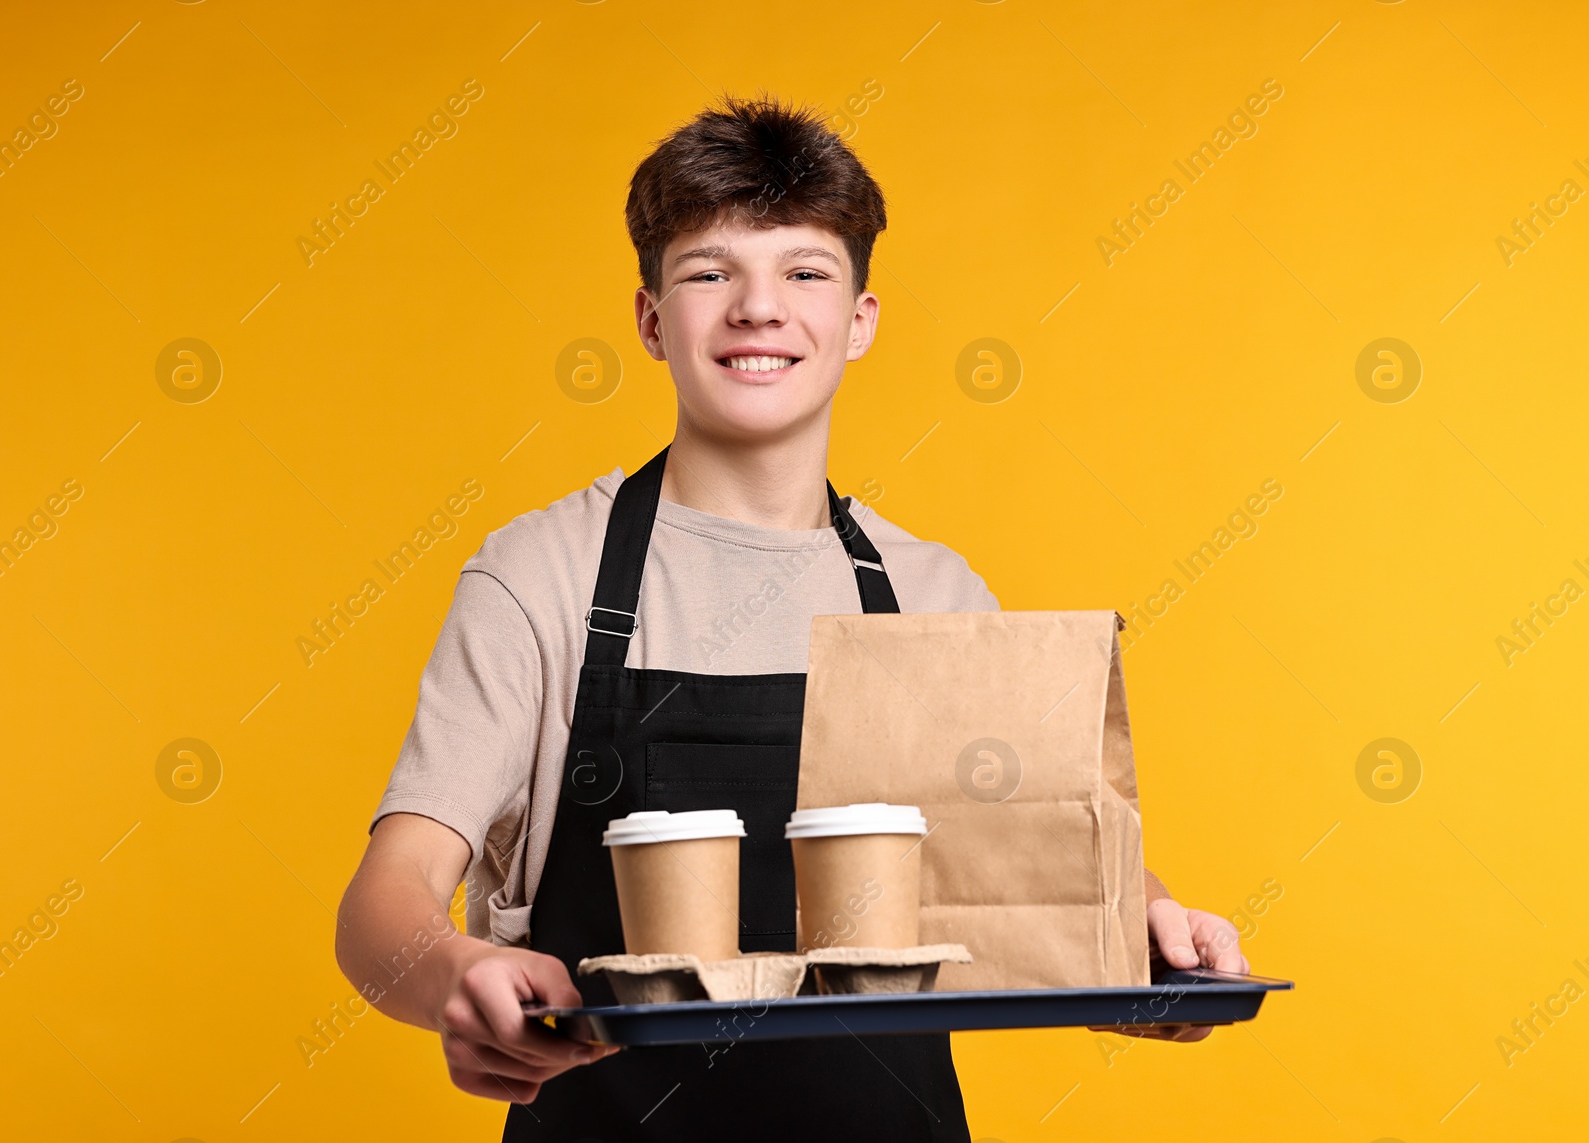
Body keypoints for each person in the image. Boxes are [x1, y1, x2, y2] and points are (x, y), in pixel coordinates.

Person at [336, 93, 1248, 1142]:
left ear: (858, 322)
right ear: (649, 319)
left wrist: (1152, 935)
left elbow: (1051, 868)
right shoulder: (540, 578)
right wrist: (456, 969)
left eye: (804, 272)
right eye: (709, 273)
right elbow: (386, 899)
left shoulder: (932, 593)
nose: (758, 309)